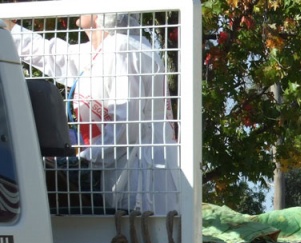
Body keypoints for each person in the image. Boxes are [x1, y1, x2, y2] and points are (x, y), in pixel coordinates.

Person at [4, 13, 179, 216]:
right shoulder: (104, 51)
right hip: (121, 175)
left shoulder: (122, 49)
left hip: (139, 183)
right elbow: (52, 54)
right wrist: (10, 29)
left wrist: (84, 161)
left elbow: (127, 125)